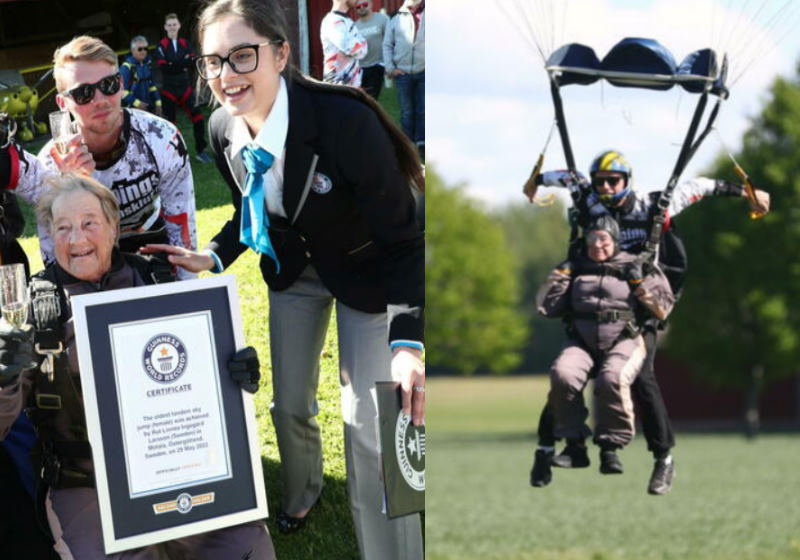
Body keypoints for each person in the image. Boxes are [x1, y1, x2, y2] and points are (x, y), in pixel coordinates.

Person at [142, 1, 425, 558]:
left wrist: (408, 340)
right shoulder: (222, 126)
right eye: (214, 61)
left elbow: (405, 238)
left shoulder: (346, 120)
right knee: (289, 404)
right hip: (294, 273)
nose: (227, 76)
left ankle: (393, 550)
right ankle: (303, 493)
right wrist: (214, 256)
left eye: (243, 55)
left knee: (370, 423)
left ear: (281, 53)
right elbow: (253, 210)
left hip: (368, 272)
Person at [0, 174, 275, 559]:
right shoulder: (36, 308)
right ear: (48, 235)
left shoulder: (155, 279)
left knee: (244, 545)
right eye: (62, 228)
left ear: (113, 227)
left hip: (178, 463)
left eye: (89, 223)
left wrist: (235, 369)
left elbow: (201, 378)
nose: (76, 239)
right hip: (87, 481)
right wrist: (6, 366)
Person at [529, 149, 771, 494]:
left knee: (642, 380)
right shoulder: (590, 200)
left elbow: (700, 187)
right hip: (593, 301)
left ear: (627, 180)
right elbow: (567, 177)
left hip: (641, 308)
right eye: (601, 182)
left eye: (614, 181)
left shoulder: (653, 204)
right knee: (566, 377)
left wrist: (746, 191)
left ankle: (663, 459)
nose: (607, 188)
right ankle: (548, 447)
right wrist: (535, 181)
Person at [0, 35, 198, 279]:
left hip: (151, 242)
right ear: (63, 103)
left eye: (109, 85)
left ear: (122, 84)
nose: (100, 100)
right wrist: (68, 187)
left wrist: (186, 290)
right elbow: (57, 255)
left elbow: (181, 227)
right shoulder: (51, 162)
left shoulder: (161, 139)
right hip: (86, 254)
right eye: (83, 93)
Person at [537, 215, 674, 477]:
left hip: (624, 338)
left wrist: (638, 283)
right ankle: (574, 445)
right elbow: (546, 307)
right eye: (591, 238)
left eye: (603, 239)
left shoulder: (637, 265)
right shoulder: (576, 266)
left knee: (612, 378)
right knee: (563, 375)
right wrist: (560, 277)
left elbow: (662, 308)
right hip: (582, 340)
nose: (597, 244)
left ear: (616, 242)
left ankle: (610, 446)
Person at [156, 13, 213, 163]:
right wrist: (182, 63)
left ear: (179, 25)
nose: (172, 27)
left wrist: (174, 63)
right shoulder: (162, 45)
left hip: (185, 88)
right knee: (169, 126)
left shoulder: (185, 43)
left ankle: (201, 151)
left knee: (199, 119)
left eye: (174, 24)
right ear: (165, 27)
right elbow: (163, 67)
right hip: (169, 90)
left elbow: (191, 62)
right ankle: (172, 156)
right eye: (169, 25)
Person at [383, 0, 424, 159]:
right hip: (403, 73)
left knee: (422, 109)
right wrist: (391, 69)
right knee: (407, 110)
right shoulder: (395, 17)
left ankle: (421, 142)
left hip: (423, 71)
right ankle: (407, 143)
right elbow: (387, 44)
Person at [321, 0, 367, 86]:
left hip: (351, 86)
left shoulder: (347, 20)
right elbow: (351, 49)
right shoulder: (332, 20)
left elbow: (363, 48)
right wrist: (361, 44)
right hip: (336, 86)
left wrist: (361, 45)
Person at [354, 0, 389, 99]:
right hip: (360, 67)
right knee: (361, 98)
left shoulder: (382, 19)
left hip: (377, 65)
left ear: (371, 4)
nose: (361, 7)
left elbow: (390, 41)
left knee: (372, 98)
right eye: (358, 6)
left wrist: (388, 63)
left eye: (364, 4)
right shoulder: (355, 26)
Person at [120, 36, 163, 117]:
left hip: (147, 108)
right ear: (132, 50)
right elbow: (122, 91)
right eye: (140, 49)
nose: (143, 52)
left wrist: (158, 104)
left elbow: (152, 86)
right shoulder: (126, 67)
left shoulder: (147, 65)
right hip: (132, 111)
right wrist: (137, 104)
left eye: (145, 48)